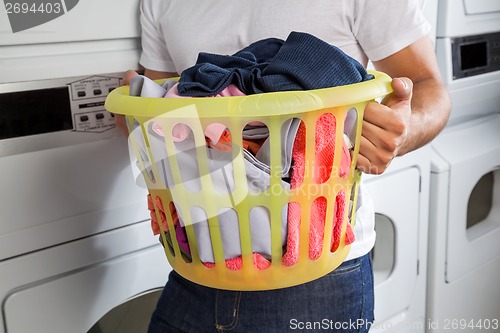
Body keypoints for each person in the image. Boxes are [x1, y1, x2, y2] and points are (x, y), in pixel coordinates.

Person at [115, 1, 450, 332]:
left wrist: (400, 132)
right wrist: (136, 114)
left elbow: (427, 85)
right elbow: (161, 116)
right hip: (198, 254)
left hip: (316, 268)